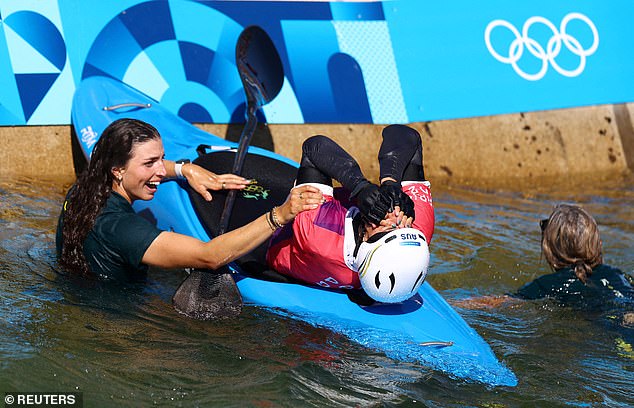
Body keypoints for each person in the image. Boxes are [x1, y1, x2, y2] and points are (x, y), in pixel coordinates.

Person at [56, 118, 323, 282]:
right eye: (150, 163)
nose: (161, 170)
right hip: (115, 324)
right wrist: (280, 215)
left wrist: (185, 169)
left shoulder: (83, 190)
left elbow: (153, 168)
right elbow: (210, 256)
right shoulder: (122, 228)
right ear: (118, 170)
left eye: (162, 158)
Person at [266, 124, 435, 304]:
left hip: (282, 245)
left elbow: (314, 147)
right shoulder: (419, 224)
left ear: (366, 242)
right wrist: (390, 181)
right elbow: (406, 134)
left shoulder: (319, 235)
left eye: (388, 228)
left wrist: (360, 187)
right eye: (404, 227)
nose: (395, 216)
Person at [516, 203, 634, 306]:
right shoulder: (617, 275)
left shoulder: (545, 285)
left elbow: (505, 302)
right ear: (599, 245)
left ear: (550, 252)